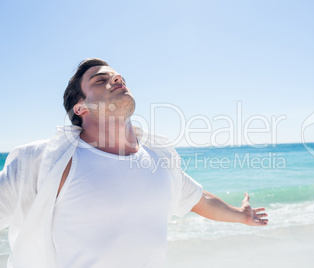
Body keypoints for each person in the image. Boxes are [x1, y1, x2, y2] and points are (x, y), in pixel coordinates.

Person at [0, 58, 268, 268]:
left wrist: (241, 216)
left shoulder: (158, 159)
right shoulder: (42, 162)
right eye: (99, 80)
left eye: (117, 76)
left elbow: (198, 199)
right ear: (80, 108)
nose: (116, 78)